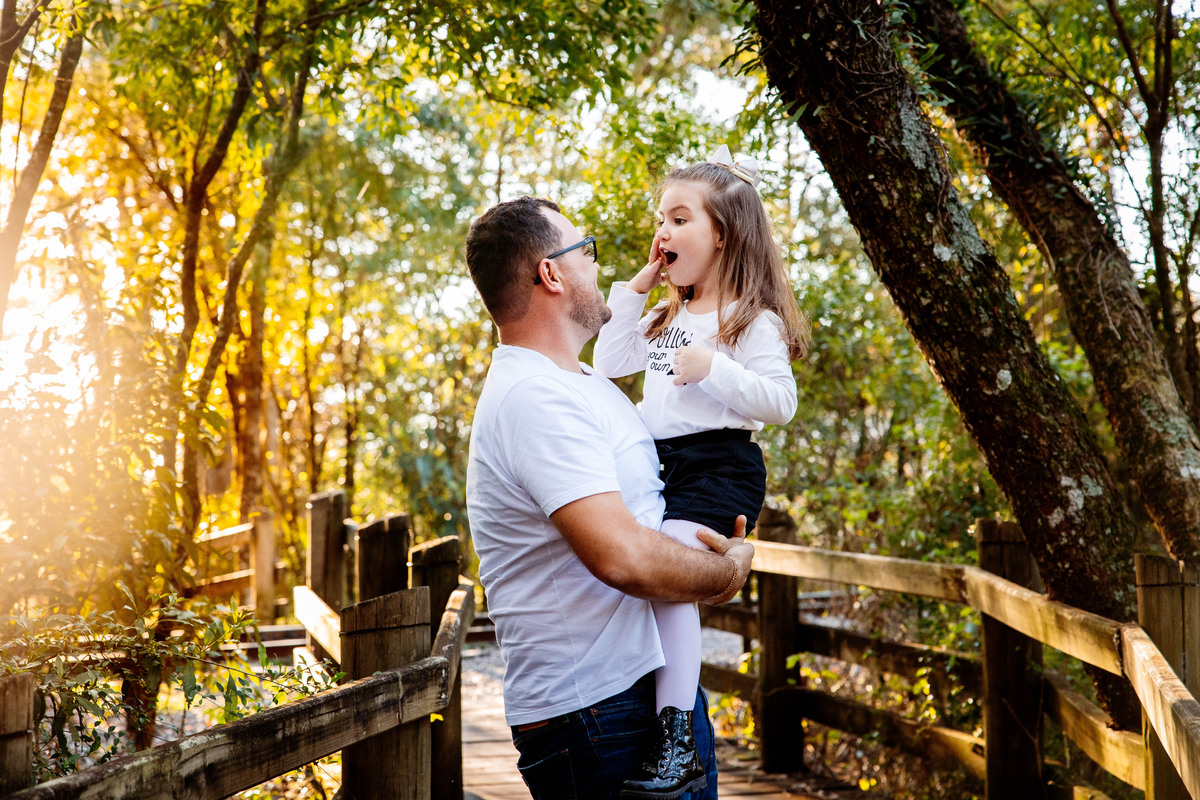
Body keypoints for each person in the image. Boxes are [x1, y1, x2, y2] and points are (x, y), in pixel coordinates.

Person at [463, 195, 756, 800]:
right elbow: (621, 556)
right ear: (551, 273)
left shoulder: (585, 383)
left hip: (640, 695)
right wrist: (723, 573)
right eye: (585, 251)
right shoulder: (534, 397)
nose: (598, 266)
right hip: (597, 712)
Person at [593, 146, 809, 797]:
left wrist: (714, 367)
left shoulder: (750, 320)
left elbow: (782, 404)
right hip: (660, 470)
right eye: (660, 218)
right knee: (652, 583)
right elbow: (608, 361)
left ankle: (677, 738)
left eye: (679, 218)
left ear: (722, 235)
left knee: (670, 578)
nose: (663, 230)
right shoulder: (665, 316)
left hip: (719, 466)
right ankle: (666, 722)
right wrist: (636, 289)